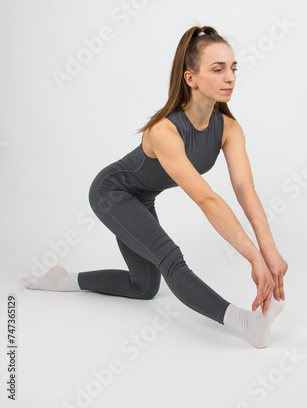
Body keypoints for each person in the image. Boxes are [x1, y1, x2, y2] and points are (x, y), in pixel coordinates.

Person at [20, 25, 288, 348]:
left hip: (142, 198)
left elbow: (245, 189)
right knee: (171, 259)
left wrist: (269, 250)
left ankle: (63, 280)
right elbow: (207, 199)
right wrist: (254, 258)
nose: (230, 77)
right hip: (111, 193)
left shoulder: (229, 129)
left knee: (143, 286)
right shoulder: (165, 131)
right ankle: (247, 323)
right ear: (191, 78)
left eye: (233, 68)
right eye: (217, 69)